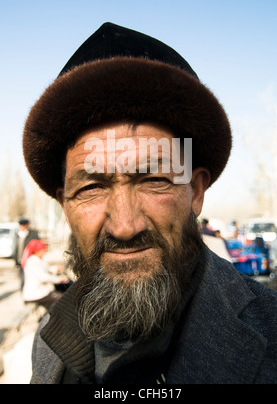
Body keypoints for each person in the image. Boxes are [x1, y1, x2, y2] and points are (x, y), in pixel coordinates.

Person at [23, 23, 277, 384]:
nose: (125, 226)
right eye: (93, 187)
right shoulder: (50, 338)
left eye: (154, 181)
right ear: (65, 206)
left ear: (196, 191)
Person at [22, 239, 68, 309]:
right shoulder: (33, 261)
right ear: (37, 251)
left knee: (59, 297)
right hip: (35, 294)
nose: (44, 252)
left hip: (40, 292)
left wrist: (56, 269)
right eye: (42, 250)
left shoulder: (38, 259)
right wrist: (59, 279)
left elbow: (47, 268)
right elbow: (44, 277)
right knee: (62, 300)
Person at [14, 218, 40, 290]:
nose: (21, 227)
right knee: (22, 280)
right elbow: (16, 249)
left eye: (23, 225)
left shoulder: (33, 234)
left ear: (27, 225)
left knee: (30, 280)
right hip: (20, 261)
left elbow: (37, 247)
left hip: (29, 261)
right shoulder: (18, 234)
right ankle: (25, 295)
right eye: (20, 225)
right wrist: (16, 260)